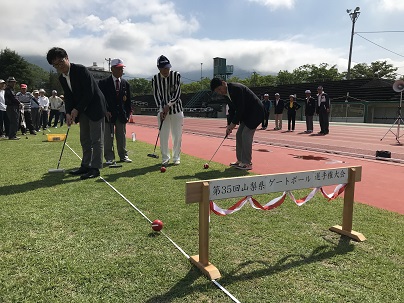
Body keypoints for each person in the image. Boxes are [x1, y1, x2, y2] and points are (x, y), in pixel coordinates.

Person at [46, 47, 107, 180]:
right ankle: (85, 165)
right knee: (84, 138)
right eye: (55, 65)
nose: (59, 66)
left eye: (61, 62)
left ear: (67, 58)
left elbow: (89, 92)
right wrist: (68, 112)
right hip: (82, 109)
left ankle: (95, 168)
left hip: (95, 107)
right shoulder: (62, 78)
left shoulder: (80, 70)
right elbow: (69, 96)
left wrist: (76, 109)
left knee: (96, 139)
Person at [210, 78, 265, 171]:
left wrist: (233, 124)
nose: (220, 92)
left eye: (219, 89)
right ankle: (240, 160)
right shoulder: (226, 95)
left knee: (246, 134)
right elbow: (232, 110)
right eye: (217, 91)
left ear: (224, 83)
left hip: (256, 112)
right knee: (239, 134)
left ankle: (247, 163)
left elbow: (240, 108)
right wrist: (229, 126)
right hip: (247, 115)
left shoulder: (236, 88)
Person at [98, 58, 132, 164]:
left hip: (121, 115)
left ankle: (123, 155)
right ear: (112, 69)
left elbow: (128, 101)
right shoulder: (103, 83)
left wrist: (127, 114)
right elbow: (100, 99)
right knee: (108, 137)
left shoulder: (125, 83)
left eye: (122, 69)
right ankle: (109, 157)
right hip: (108, 114)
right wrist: (105, 111)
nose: (121, 71)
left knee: (121, 136)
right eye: (118, 69)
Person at [151, 55, 183, 166]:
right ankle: (165, 158)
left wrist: (168, 105)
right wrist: (161, 109)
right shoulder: (155, 79)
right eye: (163, 68)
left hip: (176, 110)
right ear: (158, 68)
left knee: (177, 135)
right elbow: (156, 95)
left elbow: (177, 93)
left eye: (167, 68)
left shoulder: (176, 75)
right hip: (162, 111)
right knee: (163, 135)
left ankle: (176, 157)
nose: (166, 70)